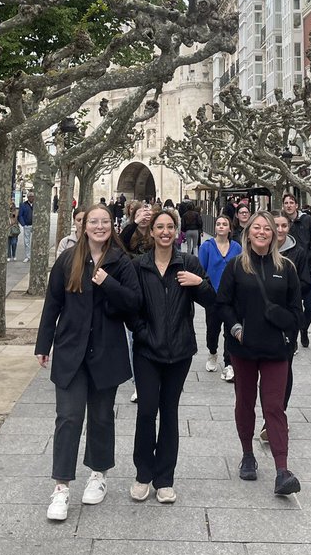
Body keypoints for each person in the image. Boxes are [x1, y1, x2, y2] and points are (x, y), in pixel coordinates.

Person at [35, 207, 141, 522]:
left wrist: (108, 282)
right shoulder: (68, 260)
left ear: (113, 225)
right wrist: (44, 344)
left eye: (104, 222)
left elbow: (133, 303)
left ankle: (98, 472)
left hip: (106, 351)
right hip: (71, 351)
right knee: (67, 417)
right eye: (92, 221)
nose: (98, 226)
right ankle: (61, 487)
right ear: (82, 226)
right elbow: (52, 303)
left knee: (101, 416)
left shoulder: (121, 262)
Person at [216, 212, 303, 497]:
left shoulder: (286, 267)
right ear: (248, 232)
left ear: (275, 234)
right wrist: (236, 328)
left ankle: (282, 469)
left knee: (274, 406)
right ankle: (247, 454)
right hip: (244, 347)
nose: (263, 232)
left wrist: (289, 329)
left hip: (276, 349)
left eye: (267, 228)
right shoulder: (235, 267)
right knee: (245, 401)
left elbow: (296, 309)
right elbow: (224, 304)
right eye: (257, 228)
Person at [130, 209, 213, 503]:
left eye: (169, 227)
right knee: (146, 410)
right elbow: (131, 307)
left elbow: (212, 301)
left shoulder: (188, 263)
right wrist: (142, 333)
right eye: (159, 227)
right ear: (151, 232)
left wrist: (199, 283)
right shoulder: (139, 265)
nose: (165, 232)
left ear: (176, 231)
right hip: (147, 351)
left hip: (179, 351)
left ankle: (164, 478)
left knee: (169, 412)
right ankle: (143, 473)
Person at [271, 211, 311, 434]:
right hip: (262, 316)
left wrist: (289, 283)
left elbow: (306, 284)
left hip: (288, 317)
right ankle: (271, 412)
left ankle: (279, 412)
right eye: (275, 225)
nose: (280, 230)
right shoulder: (259, 249)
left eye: (284, 226)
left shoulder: (298, 252)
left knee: (285, 366)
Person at [199, 215, 241, 382]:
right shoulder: (207, 247)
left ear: (230, 228)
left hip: (232, 296)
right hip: (213, 296)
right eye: (218, 224)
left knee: (230, 330)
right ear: (215, 228)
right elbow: (201, 270)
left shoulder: (237, 247)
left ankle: (229, 363)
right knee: (213, 329)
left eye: (225, 224)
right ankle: (212, 352)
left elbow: (241, 267)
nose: (221, 226)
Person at [281, 194, 311, 346]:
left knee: (310, 306)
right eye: (286, 203)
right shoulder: (281, 222)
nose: (289, 205)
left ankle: (303, 328)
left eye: (292, 202)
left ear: (296, 205)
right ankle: (293, 333)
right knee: (291, 305)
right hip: (288, 270)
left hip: (306, 270)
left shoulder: (307, 220)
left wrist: (308, 257)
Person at [18, 192, 34, 262]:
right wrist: (23, 224)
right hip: (27, 225)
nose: (31, 198)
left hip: (34, 225)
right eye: (30, 196)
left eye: (32, 196)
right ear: (28, 197)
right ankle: (28, 256)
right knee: (27, 242)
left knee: (34, 241)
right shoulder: (23, 205)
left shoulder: (36, 205)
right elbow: (20, 215)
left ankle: (34, 255)